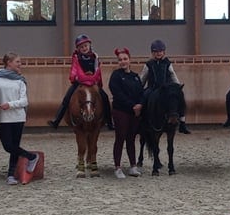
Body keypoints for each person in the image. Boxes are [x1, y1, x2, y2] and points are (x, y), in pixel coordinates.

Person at [47, 34, 112, 130]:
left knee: (105, 97)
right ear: (78, 49)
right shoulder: (77, 58)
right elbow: (74, 70)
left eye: (86, 46)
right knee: (67, 98)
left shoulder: (95, 57)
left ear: (89, 46)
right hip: (79, 82)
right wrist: (77, 77)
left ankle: (109, 122)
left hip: (92, 81)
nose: (84, 48)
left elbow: (97, 70)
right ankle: (56, 120)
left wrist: (93, 78)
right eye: (81, 47)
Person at [0, 51, 40, 185]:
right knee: (8, 146)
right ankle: (32, 157)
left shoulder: (20, 80)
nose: (20, 64)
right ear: (9, 63)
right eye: (18, 62)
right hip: (3, 117)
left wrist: (10, 105)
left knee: (14, 147)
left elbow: (24, 101)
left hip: (18, 117)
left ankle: (11, 175)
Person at [108, 47, 144, 178]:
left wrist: (140, 104)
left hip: (134, 112)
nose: (123, 61)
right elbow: (117, 93)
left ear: (130, 60)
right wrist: (132, 105)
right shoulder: (116, 75)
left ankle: (133, 166)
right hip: (121, 110)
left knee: (131, 138)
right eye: (120, 60)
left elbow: (141, 92)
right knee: (120, 138)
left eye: (125, 59)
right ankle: (117, 167)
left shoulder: (135, 77)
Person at [140, 39, 190, 134]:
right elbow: (143, 78)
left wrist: (178, 87)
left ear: (164, 52)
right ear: (152, 53)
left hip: (166, 89)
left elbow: (172, 75)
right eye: (155, 52)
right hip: (152, 88)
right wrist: (139, 88)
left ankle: (182, 122)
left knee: (179, 99)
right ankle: (141, 121)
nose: (158, 53)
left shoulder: (167, 64)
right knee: (144, 99)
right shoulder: (148, 65)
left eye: (160, 51)